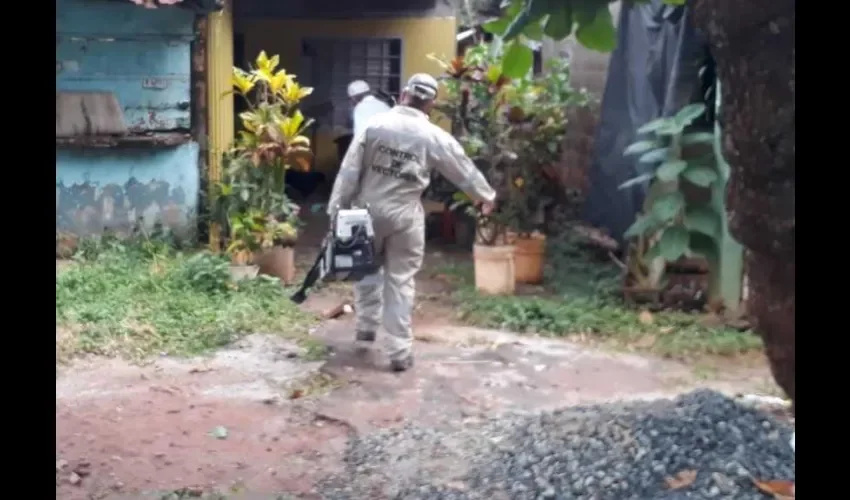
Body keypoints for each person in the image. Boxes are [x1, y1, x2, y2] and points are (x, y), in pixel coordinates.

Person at [328, 73, 497, 372]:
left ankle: (366, 328)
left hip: (368, 210)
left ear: (404, 94)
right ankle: (399, 352)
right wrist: (484, 195)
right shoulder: (432, 135)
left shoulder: (375, 125)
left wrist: (336, 210)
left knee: (365, 268)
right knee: (400, 280)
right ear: (430, 103)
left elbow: (349, 172)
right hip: (406, 215)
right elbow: (461, 167)